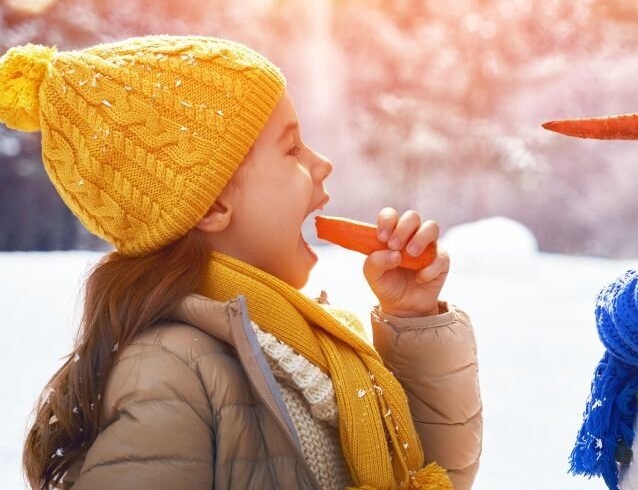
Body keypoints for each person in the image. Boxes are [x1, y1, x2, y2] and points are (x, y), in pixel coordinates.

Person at [1, 35, 482, 489]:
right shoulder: (168, 374)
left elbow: (424, 472)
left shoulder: (306, 343)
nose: (323, 163)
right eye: (291, 148)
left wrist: (412, 316)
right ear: (212, 205)